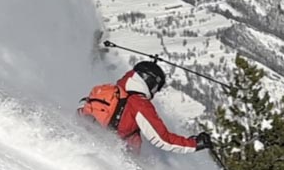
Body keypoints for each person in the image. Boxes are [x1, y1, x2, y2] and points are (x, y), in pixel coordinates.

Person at [80, 60, 214, 154]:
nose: (154, 93)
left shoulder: (112, 90)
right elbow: (162, 139)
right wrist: (195, 144)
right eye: (156, 88)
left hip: (85, 137)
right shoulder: (139, 103)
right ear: (149, 81)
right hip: (111, 152)